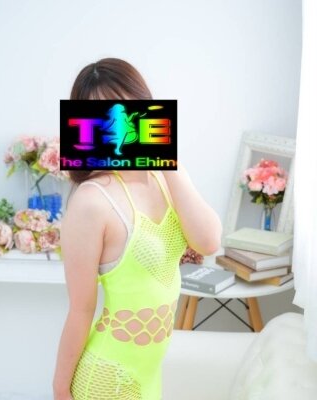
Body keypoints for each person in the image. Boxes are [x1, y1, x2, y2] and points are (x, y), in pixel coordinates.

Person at [53, 58, 222, 400]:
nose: (119, 126)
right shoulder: (92, 200)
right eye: (103, 117)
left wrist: (166, 158)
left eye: (128, 110)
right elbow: (81, 309)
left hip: (149, 378)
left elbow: (208, 242)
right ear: (86, 126)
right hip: (106, 378)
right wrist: (60, 388)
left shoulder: (166, 177)